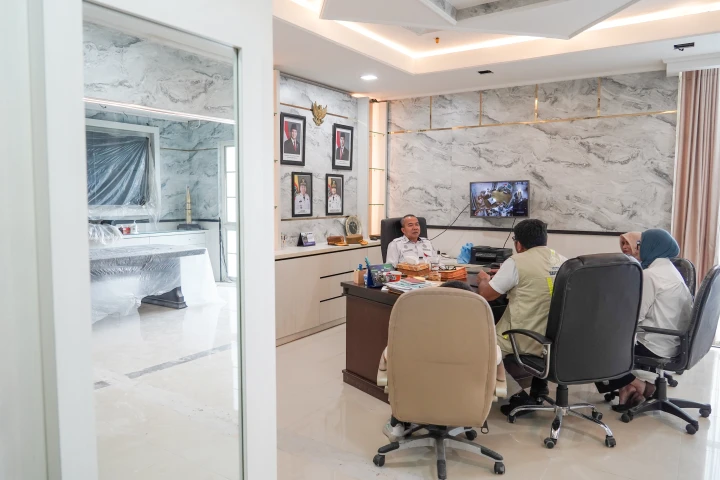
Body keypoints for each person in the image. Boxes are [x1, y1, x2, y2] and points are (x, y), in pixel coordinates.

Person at [381, 280, 503, 441]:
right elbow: (497, 361)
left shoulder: (416, 338)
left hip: (419, 400)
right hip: (464, 403)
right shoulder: (478, 342)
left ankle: (397, 425)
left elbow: (389, 355)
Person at [475, 219, 567, 416]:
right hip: (557, 337)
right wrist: (505, 274)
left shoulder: (516, 262)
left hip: (525, 335)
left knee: (481, 348)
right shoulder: (562, 260)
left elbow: (486, 295)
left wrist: (484, 279)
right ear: (545, 239)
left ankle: (517, 395)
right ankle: (539, 386)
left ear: (518, 244)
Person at [597, 229, 693, 410]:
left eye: (641, 244)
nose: (638, 248)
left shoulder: (651, 275)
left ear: (652, 246)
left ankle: (639, 385)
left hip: (655, 343)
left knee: (596, 345)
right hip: (674, 340)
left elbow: (634, 316)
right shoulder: (670, 269)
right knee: (608, 337)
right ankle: (627, 388)